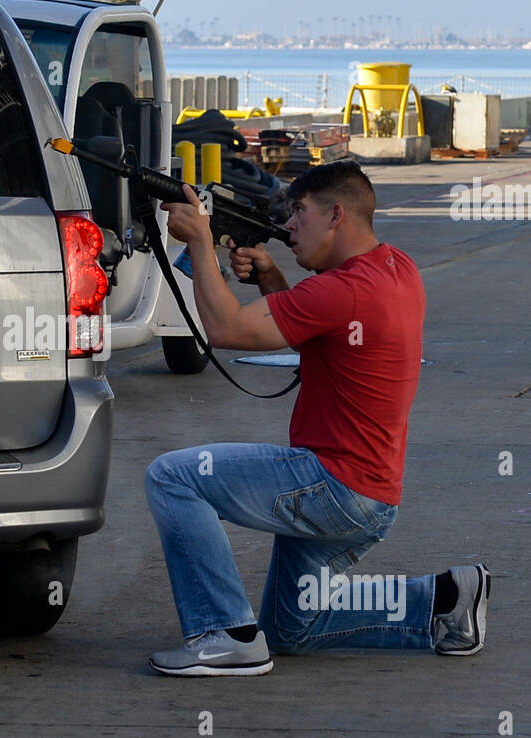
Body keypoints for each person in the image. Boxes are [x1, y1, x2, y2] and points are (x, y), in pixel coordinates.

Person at [144, 160, 488, 676]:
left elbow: (225, 329)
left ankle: (223, 637)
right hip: (372, 493)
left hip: (332, 484)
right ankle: (443, 601)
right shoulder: (396, 268)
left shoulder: (340, 290)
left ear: (336, 215)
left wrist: (198, 241)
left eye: (299, 212)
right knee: (291, 628)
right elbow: (318, 322)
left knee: (174, 477)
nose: (288, 226)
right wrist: (273, 278)